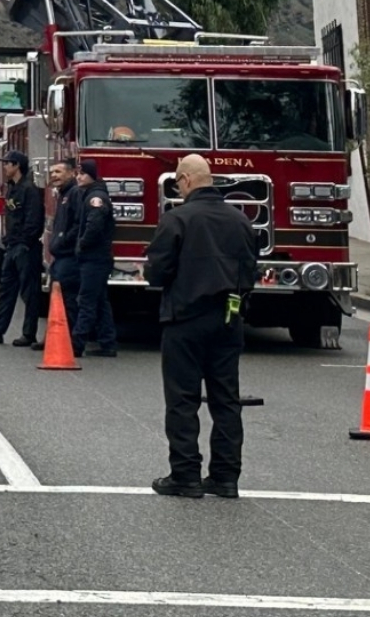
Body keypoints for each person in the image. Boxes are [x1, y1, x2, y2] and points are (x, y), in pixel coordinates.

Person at [146, 154, 257, 499]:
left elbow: (157, 272)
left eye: (178, 183)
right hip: (228, 317)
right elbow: (250, 271)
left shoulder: (176, 219)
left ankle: (186, 474)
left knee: (182, 399)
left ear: (187, 180)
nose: (178, 188)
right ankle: (225, 476)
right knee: (226, 400)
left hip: (185, 317)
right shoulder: (240, 221)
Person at [0, 152, 46, 347]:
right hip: (12, 246)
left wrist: (24, 242)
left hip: (26, 248)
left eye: (7, 164)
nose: (5, 167)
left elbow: (34, 220)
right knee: (6, 290)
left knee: (29, 293)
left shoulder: (29, 190)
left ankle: (29, 333)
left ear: (17, 166)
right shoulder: (12, 189)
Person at [70, 159, 118, 357]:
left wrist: (82, 245)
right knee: (99, 301)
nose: (78, 177)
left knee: (87, 301)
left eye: (82, 173)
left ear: (92, 175)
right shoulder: (92, 194)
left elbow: (94, 226)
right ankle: (108, 343)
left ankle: (76, 345)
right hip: (98, 257)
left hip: (95, 258)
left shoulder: (95, 198)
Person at [44, 159, 80, 342]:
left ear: (72, 173)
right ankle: (56, 337)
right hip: (60, 256)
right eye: (52, 172)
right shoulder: (62, 194)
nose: (54, 176)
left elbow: (78, 225)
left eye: (58, 172)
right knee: (57, 299)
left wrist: (63, 241)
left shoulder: (74, 193)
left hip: (69, 256)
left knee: (68, 300)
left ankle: (69, 339)